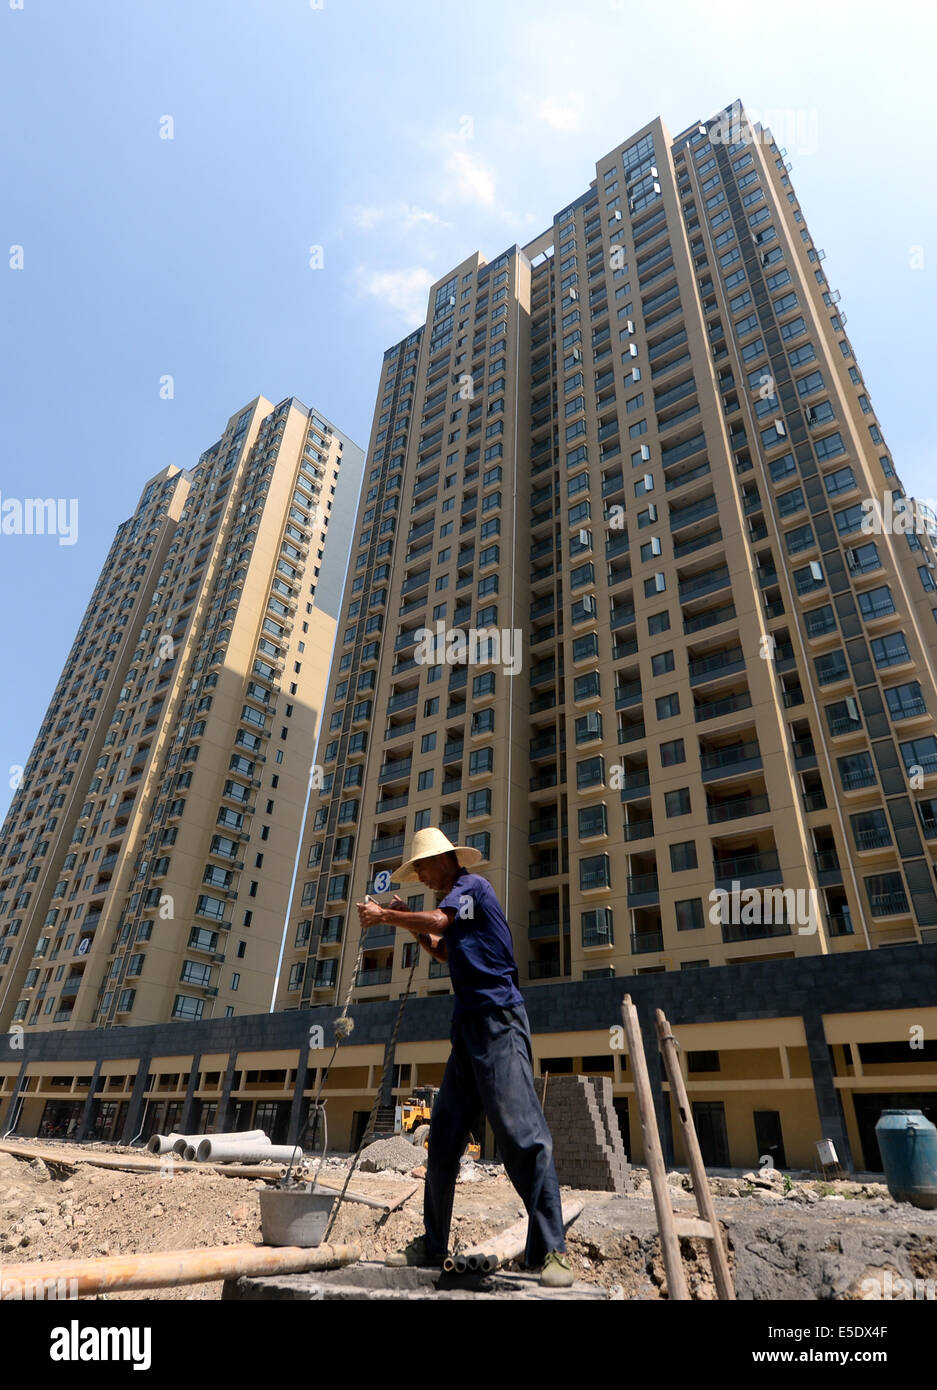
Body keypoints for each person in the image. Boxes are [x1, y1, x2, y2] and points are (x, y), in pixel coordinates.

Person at [356, 827, 573, 1287]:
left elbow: (437, 922)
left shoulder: (470, 887)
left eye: (423, 868)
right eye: (415, 872)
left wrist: (385, 918)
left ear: (446, 859)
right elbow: (440, 946)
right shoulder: (456, 903)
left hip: (500, 1021)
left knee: (522, 1134)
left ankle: (551, 1250)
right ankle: (433, 1244)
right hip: (467, 1030)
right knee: (444, 1140)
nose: (421, 876)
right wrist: (405, 921)